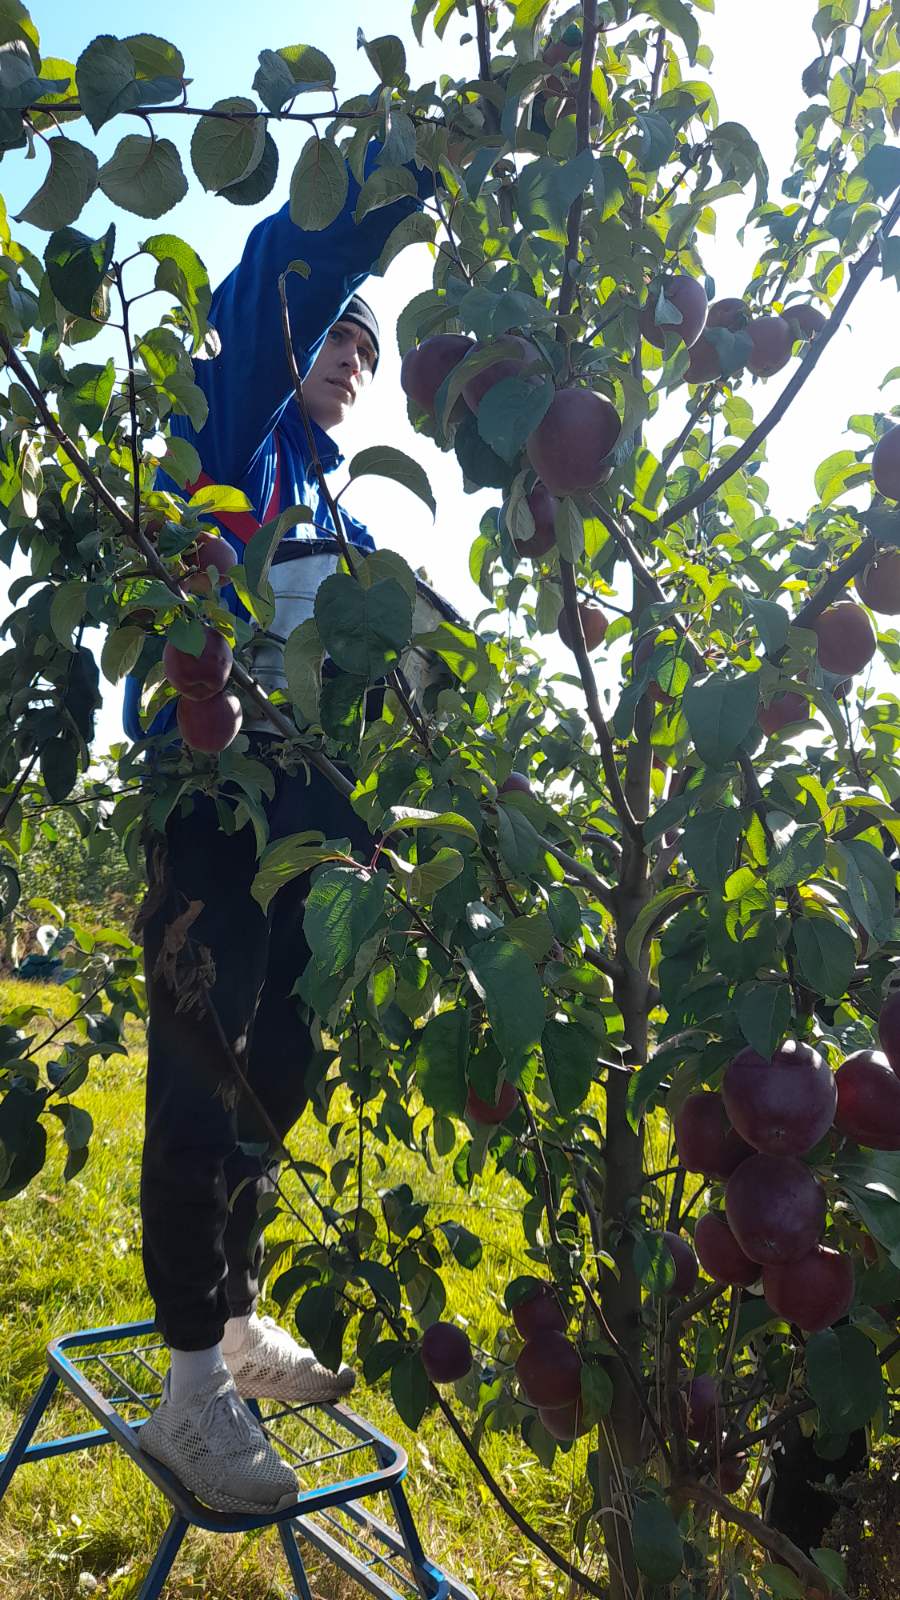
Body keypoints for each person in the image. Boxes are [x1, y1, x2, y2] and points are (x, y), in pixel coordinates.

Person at [132, 144, 432, 1516]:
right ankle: (187, 1390)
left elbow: (393, 676)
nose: (351, 360)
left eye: (371, 352)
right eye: (339, 335)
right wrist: (404, 179)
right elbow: (271, 281)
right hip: (210, 809)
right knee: (202, 1064)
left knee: (279, 1069)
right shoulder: (235, 429)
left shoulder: (341, 515)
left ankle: (235, 1318)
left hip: (304, 842)